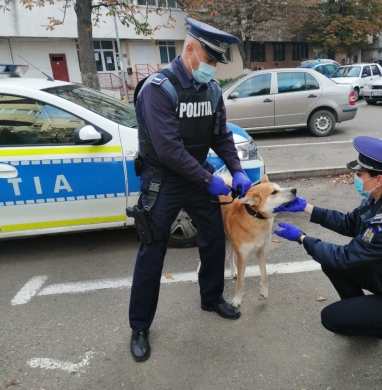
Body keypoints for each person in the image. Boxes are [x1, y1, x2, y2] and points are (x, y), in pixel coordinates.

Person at [128, 18, 252, 362]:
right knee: (152, 251)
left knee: (213, 239)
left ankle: (211, 297)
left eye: (216, 63)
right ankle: (139, 326)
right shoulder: (158, 89)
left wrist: (237, 170)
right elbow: (168, 149)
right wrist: (209, 179)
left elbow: (220, 136)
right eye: (209, 61)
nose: (212, 69)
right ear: (190, 51)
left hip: (198, 178)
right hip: (163, 181)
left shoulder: (210, 90)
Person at [273, 136, 382, 362]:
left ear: (379, 179)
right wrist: (307, 208)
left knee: (331, 318)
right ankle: (366, 317)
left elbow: (345, 258)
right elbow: (350, 223)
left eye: (360, 174)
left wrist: (302, 239)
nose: (355, 177)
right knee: (328, 261)